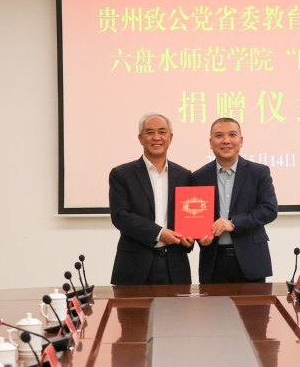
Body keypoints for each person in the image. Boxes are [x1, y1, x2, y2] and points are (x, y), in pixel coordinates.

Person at [109, 113, 193, 285]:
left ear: (170, 138)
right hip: (134, 267)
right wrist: (159, 233)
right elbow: (120, 216)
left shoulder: (184, 176)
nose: (156, 137)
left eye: (162, 132)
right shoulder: (122, 174)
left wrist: (191, 237)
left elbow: (190, 215)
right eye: (150, 132)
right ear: (140, 138)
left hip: (175, 266)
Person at [192, 118, 278, 284]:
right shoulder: (198, 177)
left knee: (254, 303)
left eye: (232, 135)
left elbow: (269, 209)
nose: (226, 141)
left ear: (241, 140)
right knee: (214, 303)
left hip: (251, 260)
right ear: (210, 142)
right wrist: (198, 236)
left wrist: (233, 223)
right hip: (213, 262)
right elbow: (194, 215)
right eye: (219, 136)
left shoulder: (258, 172)